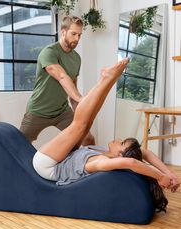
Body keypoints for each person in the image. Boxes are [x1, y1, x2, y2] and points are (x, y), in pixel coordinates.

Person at [32, 58, 180, 212]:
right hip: (63, 158)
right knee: (86, 124)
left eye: (121, 143)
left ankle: (107, 78)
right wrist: (169, 173)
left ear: (121, 156)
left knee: (79, 125)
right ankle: (108, 79)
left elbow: (132, 163)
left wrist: (161, 177)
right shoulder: (109, 153)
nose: (118, 139)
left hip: (47, 165)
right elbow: (146, 153)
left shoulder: (101, 161)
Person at [20, 15, 95, 146]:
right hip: (38, 110)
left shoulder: (76, 58)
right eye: (73, 34)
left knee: (87, 138)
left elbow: (73, 90)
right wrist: (82, 99)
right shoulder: (49, 52)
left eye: (79, 35)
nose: (77, 39)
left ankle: (93, 166)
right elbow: (61, 76)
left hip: (62, 111)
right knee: (20, 144)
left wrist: (80, 115)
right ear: (63, 31)